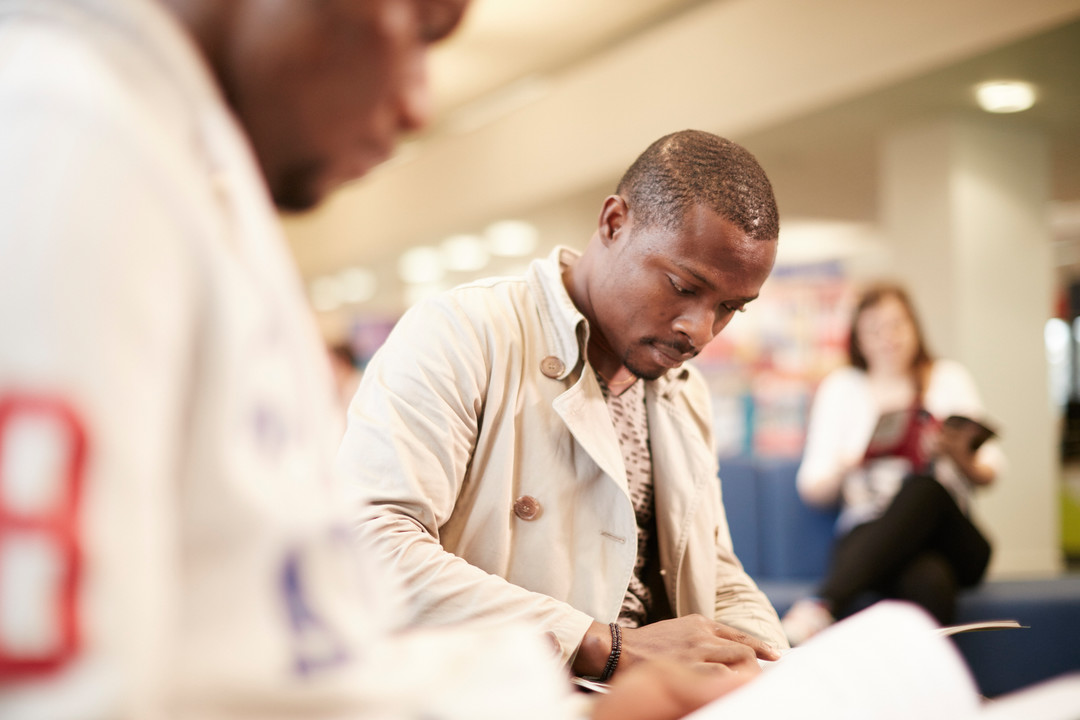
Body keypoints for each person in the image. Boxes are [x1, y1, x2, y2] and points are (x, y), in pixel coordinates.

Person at [0, 1, 749, 718]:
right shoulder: (70, 132)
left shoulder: (181, 169)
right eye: (421, 26)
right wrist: (600, 660)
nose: (419, 102)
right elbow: (56, 682)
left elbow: (285, 645)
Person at [337, 129, 788, 682]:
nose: (699, 330)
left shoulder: (682, 387)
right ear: (614, 223)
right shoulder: (465, 333)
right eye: (681, 285)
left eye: (730, 308)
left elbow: (711, 564)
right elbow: (370, 545)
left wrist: (769, 664)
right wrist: (602, 645)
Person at [780, 282, 1005, 646]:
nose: (888, 337)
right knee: (929, 578)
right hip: (872, 533)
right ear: (858, 339)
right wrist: (853, 461)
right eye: (874, 329)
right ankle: (933, 695)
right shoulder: (841, 387)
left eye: (897, 325)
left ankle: (822, 605)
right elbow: (813, 488)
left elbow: (991, 470)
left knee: (925, 489)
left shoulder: (947, 378)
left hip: (952, 536)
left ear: (915, 327)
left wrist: (957, 455)